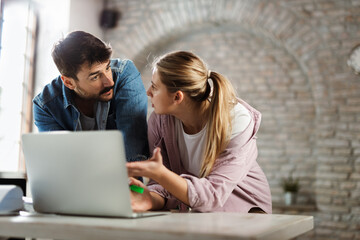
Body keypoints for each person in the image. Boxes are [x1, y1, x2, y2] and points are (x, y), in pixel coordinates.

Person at [127, 51, 272, 213]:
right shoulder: (159, 121)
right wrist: (149, 198)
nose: (148, 92)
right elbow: (162, 184)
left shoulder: (236, 120)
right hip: (202, 216)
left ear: (177, 97)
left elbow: (213, 195)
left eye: (154, 86)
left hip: (248, 212)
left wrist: (161, 174)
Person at [33, 31, 149, 160]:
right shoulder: (45, 106)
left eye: (107, 68)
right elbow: (59, 162)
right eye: (95, 77)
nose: (109, 81)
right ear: (69, 82)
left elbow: (133, 152)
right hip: (76, 179)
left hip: (125, 178)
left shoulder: (124, 76)